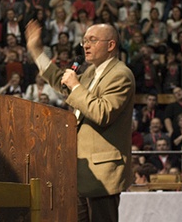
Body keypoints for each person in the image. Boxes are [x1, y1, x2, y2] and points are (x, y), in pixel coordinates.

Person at [25, 20, 134, 222]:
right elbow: (62, 82)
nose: (86, 45)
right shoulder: (92, 72)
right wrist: (37, 51)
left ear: (110, 45)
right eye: (84, 41)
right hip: (80, 170)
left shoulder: (121, 74)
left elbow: (103, 112)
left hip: (102, 172)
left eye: (92, 40)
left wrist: (76, 86)